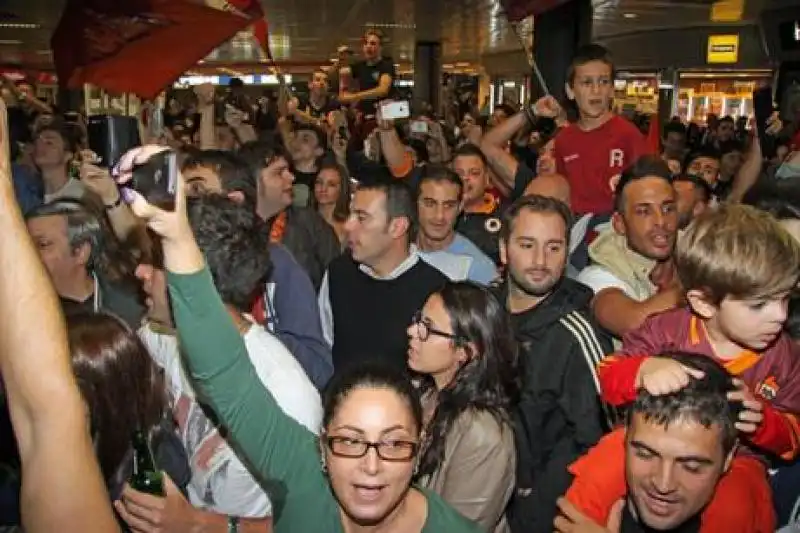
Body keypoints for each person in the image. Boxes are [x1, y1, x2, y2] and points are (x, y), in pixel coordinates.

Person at [119, 145, 483, 532]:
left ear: (421, 448)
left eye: (394, 444)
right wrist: (176, 237)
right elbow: (221, 370)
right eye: (350, 441)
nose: (371, 467)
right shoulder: (303, 473)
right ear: (322, 445)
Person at [593, 204, 800, 532]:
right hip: (651, 443)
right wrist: (643, 369)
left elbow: (793, 437)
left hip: (739, 461)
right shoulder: (664, 331)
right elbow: (606, 375)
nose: (779, 315)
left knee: (737, 506)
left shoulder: (785, 356)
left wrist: (766, 424)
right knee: (600, 465)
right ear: (703, 302)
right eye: (759, 304)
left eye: (786, 299)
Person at [120, 196, 321, 531]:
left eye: (156, 262)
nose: (140, 271)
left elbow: (309, 523)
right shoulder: (160, 336)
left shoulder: (286, 394)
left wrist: (197, 524)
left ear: (195, 285)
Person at [0, 98, 120, 532]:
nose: (26, 260)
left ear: (82, 251)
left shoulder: (119, 322)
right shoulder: (9, 324)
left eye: (43, 246)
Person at [496, 195, 613, 533]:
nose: (540, 260)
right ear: (504, 250)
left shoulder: (578, 336)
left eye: (554, 247)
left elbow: (595, 443)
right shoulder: (485, 314)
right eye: (527, 244)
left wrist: (531, 517)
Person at [558, 353, 751, 533]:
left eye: (691, 467)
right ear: (624, 438)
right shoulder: (584, 487)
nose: (663, 485)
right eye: (645, 454)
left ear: (728, 458)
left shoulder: (743, 511)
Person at [407, 282, 518, 531]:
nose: (412, 331)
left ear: (465, 352)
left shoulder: (483, 435)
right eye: (417, 320)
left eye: (428, 328)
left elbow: (457, 527)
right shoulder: (423, 395)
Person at [319, 181, 448, 374]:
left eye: (361, 218)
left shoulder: (436, 292)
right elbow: (324, 348)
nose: (348, 225)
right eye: (350, 214)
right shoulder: (338, 274)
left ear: (397, 227)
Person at [577, 156, 680, 340]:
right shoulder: (598, 274)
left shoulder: (694, 249)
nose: (661, 222)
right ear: (619, 224)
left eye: (668, 209)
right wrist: (702, 279)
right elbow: (635, 323)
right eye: (643, 211)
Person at [26, 198, 145, 328]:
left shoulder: (126, 313)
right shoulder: (19, 311)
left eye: (42, 245)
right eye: (26, 244)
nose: (28, 253)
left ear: (81, 252)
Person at [238, 140, 340, 291]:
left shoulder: (309, 223)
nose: (291, 177)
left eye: (289, 170)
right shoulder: (232, 227)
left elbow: (337, 280)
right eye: (279, 173)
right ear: (253, 181)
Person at [414, 165, 497, 284]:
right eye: (430, 204)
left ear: (460, 207)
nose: (439, 216)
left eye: (449, 205)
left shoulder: (478, 268)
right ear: (416, 203)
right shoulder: (396, 251)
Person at [452, 144, 503, 264]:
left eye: (474, 173)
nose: (465, 178)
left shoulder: (505, 216)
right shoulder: (437, 216)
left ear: (486, 179)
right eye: (459, 174)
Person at [310, 161, 351, 245]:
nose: (323, 189)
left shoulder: (349, 228)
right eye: (319, 182)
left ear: (342, 189)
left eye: (331, 184)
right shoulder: (302, 221)